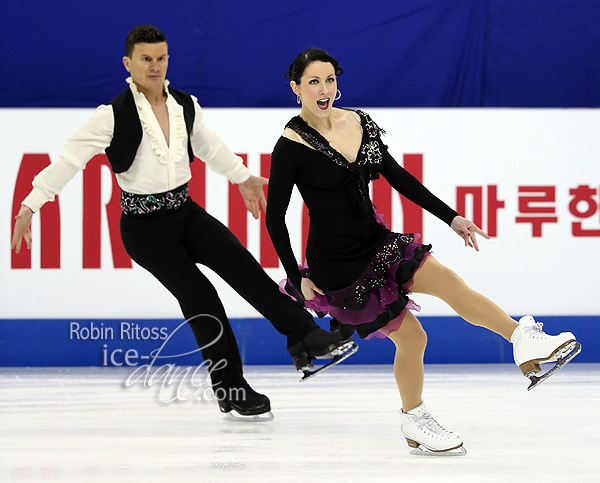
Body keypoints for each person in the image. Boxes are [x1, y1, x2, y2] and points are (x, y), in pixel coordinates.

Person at [10, 27, 354, 421]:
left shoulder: (183, 105)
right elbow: (70, 160)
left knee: (244, 268)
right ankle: (232, 390)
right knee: (202, 299)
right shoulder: (111, 116)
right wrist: (31, 204)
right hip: (144, 229)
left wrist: (242, 177)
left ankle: (305, 338)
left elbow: (209, 145)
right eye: (145, 59)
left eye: (161, 58)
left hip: (185, 212)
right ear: (128, 63)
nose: (154, 66)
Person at [265, 48, 581, 453]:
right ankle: (414, 419)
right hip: (340, 267)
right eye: (313, 82)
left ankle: (522, 340)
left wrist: (452, 218)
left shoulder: (357, 122)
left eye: (330, 79)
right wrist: (298, 276)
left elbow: (397, 176)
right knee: (413, 339)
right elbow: (276, 218)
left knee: (450, 282)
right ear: (296, 88)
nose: (324, 90)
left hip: (376, 242)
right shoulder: (290, 145)